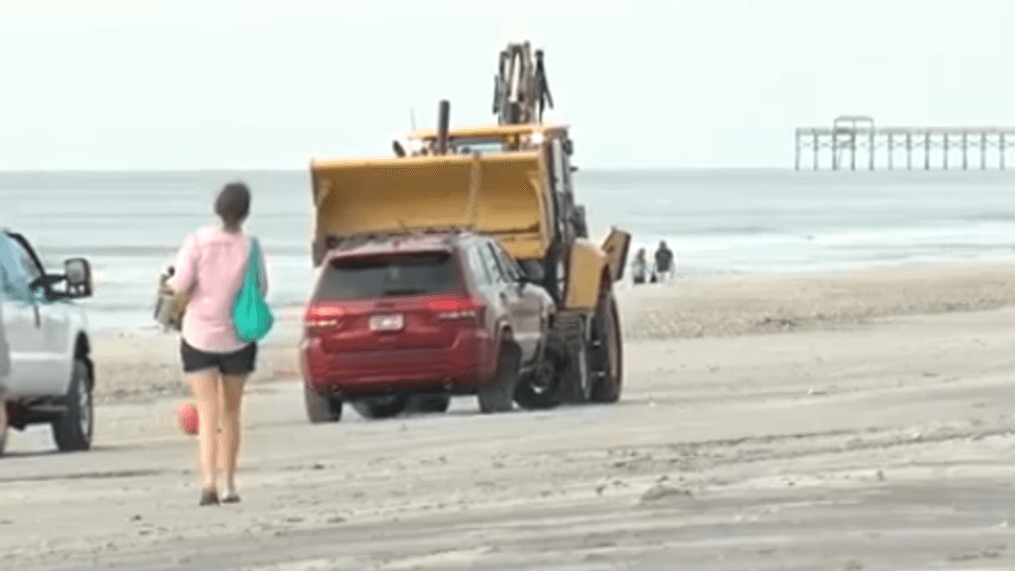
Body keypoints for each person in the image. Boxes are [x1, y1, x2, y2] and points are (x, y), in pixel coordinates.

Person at [167, 182, 268, 506]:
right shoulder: (251, 246)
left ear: (217, 208)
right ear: (246, 211)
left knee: (207, 414)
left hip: (199, 335)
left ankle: (208, 482)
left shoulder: (197, 242)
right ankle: (231, 484)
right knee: (232, 412)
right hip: (237, 336)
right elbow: (261, 289)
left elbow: (179, 285)